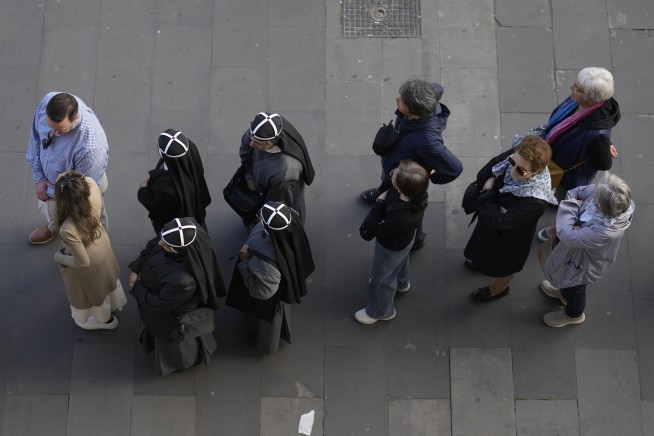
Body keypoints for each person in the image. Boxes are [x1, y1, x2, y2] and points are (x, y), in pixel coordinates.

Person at [360, 79, 463, 251]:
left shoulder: (428, 141)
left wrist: (424, 175)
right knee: (387, 180)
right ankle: (382, 192)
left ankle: (416, 239)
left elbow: (455, 169)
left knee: (410, 208)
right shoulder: (428, 95)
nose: (397, 99)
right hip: (394, 166)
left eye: (401, 101)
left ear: (416, 114)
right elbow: (438, 87)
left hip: (405, 176)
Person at [464, 136, 558, 301]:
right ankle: (480, 262)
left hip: (510, 239)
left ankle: (498, 290)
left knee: (506, 267)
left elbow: (502, 222)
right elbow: (485, 172)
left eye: (520, 170)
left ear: (536, 171)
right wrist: (493, 203)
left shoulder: (536, 200)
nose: (513, 170)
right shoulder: (519, 156)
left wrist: (487, 193)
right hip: (491, 222)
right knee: (483, 246)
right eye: (512, 162)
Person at [128, 217, 226, 376]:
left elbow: (159, 303)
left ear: (180, 250)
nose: (161, 243)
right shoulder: (173, 234)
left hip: (171, 317)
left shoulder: (183, 281)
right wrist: (136, 268)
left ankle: (180, 362)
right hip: (159, 296)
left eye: (166, 244)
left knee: (175, 347)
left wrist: (137, 287)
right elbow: (152, 245)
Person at [532, 67, 621, 241]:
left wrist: (604, 145)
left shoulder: (596, 134)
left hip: (569, 173)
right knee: (555, 187)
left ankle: (561, 213)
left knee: (566, 196)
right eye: (574, 84)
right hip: (557, 160)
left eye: (576, 89)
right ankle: (555, 199)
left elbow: (603, 163)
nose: (571, 89)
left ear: (591, 98)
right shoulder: (578, 101)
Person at [539, 173, 634, 327]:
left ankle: (573, 314)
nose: (592, 192)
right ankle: (563, 293)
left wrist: (571, 210)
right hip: (575, 255)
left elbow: (565, 233)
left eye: (595, 198)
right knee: (569, 284)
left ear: (601, 207)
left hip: (582, 266)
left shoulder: (605, 232)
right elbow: (575, 192)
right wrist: (572, 226)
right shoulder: (605, 193)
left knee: (576, 288)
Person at [227, 201, 315, 353]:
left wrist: (244, 263)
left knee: (267, 327)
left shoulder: (265, 260)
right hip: (287, 275)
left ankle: (267, 345)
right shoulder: (292, 215)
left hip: (272, 300)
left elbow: (262, 293)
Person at [26, 92, 110, 244]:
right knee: (55, 214)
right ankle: (54, 226)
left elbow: (79, 189)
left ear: (76, 117)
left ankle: (93, 242)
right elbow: (35, 139)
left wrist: (49, 192)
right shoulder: (48, 102)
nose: (54, 133)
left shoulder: (90, 147)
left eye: (61, 130)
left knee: (87, 220)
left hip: (79, 192)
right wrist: (39, 179)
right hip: (51, 185)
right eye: (50, 126)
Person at [355, 160, 429, 324]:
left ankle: (380, 312)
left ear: (402, 188)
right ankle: (402, 283)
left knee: (380, 278)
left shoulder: (399, 217)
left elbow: (374, 228)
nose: (391, 175)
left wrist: (380, 202)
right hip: (404, 241)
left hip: (390, 247)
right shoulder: (418, 196)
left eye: (394, 177)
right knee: (401, 262)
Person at [52, 171, 125, 330]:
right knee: (106, 280)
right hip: (102, 242)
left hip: (88, 258)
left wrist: (58, 257)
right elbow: (103, 215)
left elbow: (82, 262)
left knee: (93, 291)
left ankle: (104, 320)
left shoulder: (68, 228)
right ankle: (112, 306)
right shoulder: (91, 185)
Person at [238, 112, 315, 223]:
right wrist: (249, 174)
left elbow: (276, 205)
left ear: (272, 143)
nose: (251, 144)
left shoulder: (285, 171)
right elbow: (246, 146)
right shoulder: (261, 130)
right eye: (252, 138)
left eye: (258, 144)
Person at [137, 129, 211, 234]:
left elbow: (157, 210)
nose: (157, 147)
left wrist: (143, 190)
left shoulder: (168, 190)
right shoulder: (189, 149)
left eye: (159, 147)